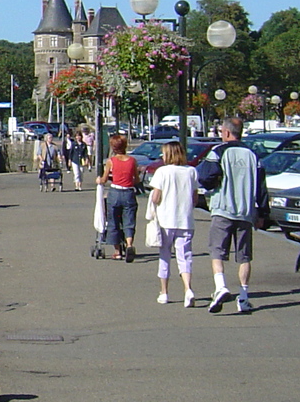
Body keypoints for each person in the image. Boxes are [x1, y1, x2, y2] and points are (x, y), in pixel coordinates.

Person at [205, 116, 259, 314]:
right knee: (244, 256)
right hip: (245, 211)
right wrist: (262, 210)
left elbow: (206, 176)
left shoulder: (219, 151)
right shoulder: (253, 154)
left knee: (217, 251)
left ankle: (220, 287)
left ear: (226, 133)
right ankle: (243, 296)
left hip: (223, 208)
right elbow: (261, 185)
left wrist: (212, 185)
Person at [149, 140, 199, 305]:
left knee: (165, 256)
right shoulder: (191, 171)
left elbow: (156, 197)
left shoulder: (162, 172)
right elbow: (195, 198)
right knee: (185, 256)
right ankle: (188, 289)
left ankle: (164, 292)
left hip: (166, 220)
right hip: (185, 220)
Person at [97, 133, 139, 260]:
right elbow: (136, 179)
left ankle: (117, 251)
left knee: (113, 221)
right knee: (129, 220)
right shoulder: (132, 161)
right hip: (128, 193)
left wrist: (100, 180)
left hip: (115, 192)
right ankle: (129, 244)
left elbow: (104, 179)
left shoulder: (111, 161)